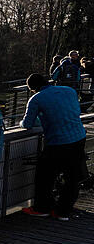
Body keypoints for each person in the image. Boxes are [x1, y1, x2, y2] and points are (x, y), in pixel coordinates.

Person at [20, 73, 88, 220]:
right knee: (72, 177)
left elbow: (27, 124)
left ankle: (42, 208)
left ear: (32, 88)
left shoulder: (36, 99)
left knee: (45, 176)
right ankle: (63, 211)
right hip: (78, 137)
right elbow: (72, 112)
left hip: (58, 142)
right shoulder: (69, 91)